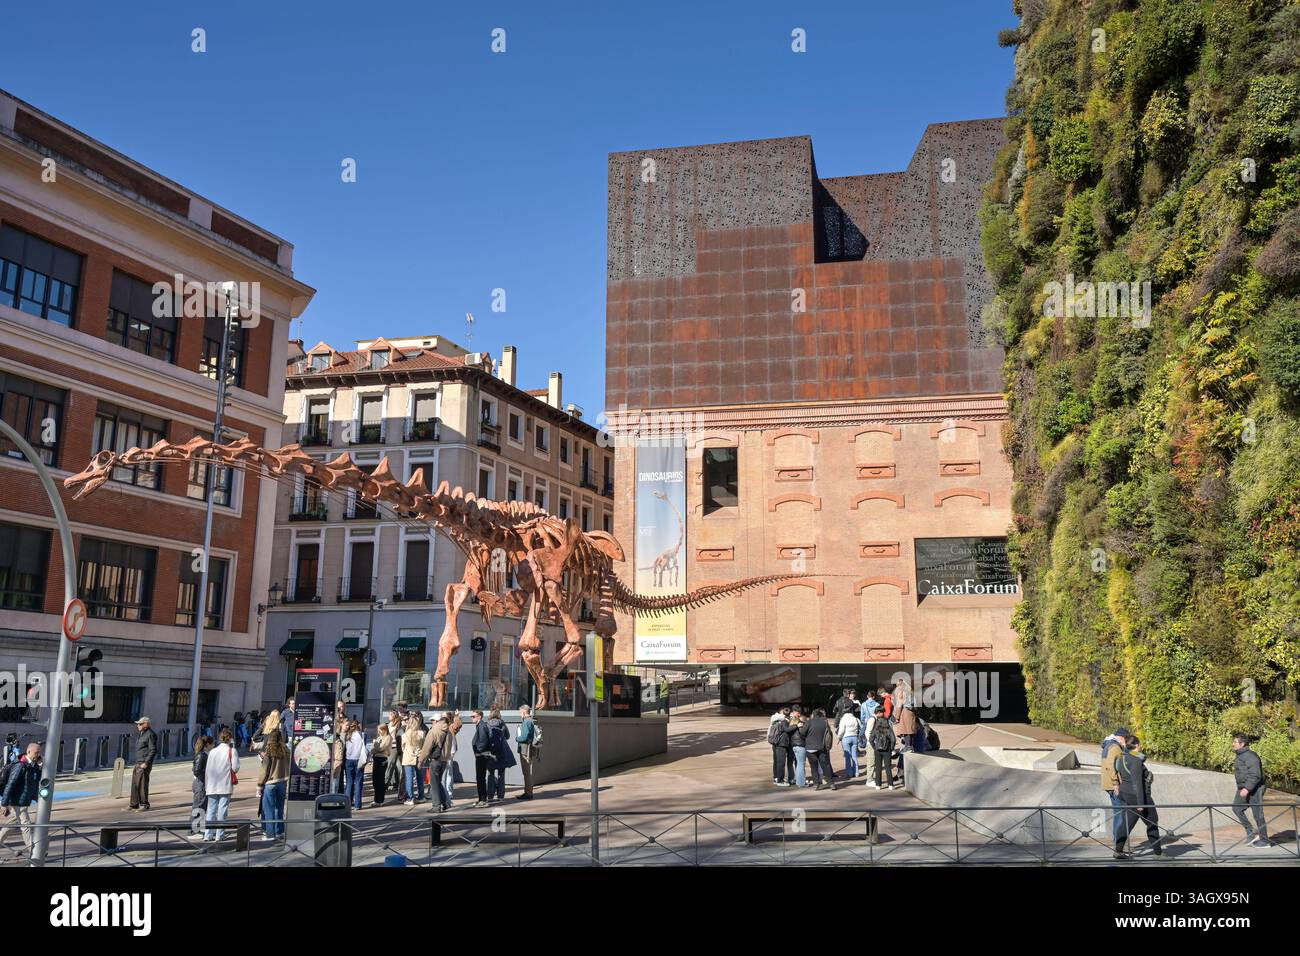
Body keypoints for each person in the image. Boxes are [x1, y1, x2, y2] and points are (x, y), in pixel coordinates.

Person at [1113, 735, 1161, 858]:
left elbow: (1117, 772)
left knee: (1127, 823)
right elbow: (1137, 783)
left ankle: (1118, 851)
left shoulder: (1121, 758)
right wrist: (1140, 803)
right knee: (1152, 822)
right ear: (1136, 745)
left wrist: (1117, 785)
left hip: (1126, 795)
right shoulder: (1135, 761)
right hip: (1139, 797)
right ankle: (1159, 854)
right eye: (1139, 744)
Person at [0, 742, 41, 859]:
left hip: (24, 800)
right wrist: (4, 803)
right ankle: (34, 852)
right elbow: (10, 784)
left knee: (12, 824)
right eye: (36, 753)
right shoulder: (20, 765)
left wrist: (39, 767)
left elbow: (36, 780)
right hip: (17, 801)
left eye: (39, 753)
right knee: (26, 824)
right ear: (28, 752)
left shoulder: (31, 765)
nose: (38, 755)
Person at [1231, 734, 1269, 847]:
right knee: (1236, 808)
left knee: (1258, 814)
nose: (1233, 744)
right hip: (1244, 788)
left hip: (1255, 788)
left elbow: (1255, 775)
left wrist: (1247, 788)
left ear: (1242, 744)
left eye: (1235, 742)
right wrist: (1244, 788)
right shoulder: (1240, 755)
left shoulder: (1251, 756)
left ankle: (1265, 840)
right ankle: (1251, 832)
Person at [257, 712, 290, 841]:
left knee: (269, 809)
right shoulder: (285, 749)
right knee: (279, 808)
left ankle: (269, 834)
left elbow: (264, 770)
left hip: (270, 782)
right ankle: (279, 831)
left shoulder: (269, 752)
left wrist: (259, 785)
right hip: (282, 780)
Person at [203, 729, 239, 842]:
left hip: (212, 784)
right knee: (222, 809)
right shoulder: (232, 751)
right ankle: (219, 834)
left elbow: (207, 769)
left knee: (211, 810)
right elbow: (235, 767)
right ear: (230, 738)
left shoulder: (213, 751)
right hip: (225, 784)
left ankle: (208, 834)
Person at [418, 711, 456, 811]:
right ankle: (446, 803)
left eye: (433, 720)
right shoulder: (448, 731)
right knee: (438, 782)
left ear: (437, 721)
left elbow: (426, 747)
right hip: (444, 760)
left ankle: (436, 806)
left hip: (435, 760)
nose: (432, 722)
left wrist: (421, 760)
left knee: (434, 784)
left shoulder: (434, 731)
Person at [485, 709, 515, 801]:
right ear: (499, 715)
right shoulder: (502, 724)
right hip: (502, 752)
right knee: (501, 774)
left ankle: (490, 795)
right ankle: (500, 796)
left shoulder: (487, 724)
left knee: (490, 774)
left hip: (491, 752)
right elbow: (508, 736)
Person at [128, 716, 158, 811]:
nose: (138, 725)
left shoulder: (150, 734)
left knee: (142, 784)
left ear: (146, 724)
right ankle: (134, 804)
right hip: (138, 762)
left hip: (143, 763)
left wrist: (146, 762)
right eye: (138, 724)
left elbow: (153, 750)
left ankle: (144, 804)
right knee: (135, 784)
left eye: (140, 724)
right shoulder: (142, 734)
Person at [803, 708, 836, 791]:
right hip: (822, 747)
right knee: (825, 766)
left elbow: (802, 733)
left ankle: (816, 784)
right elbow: (829, 733)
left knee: (814, 767)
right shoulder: (825, 722)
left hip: (810, 747)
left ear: (813, 715)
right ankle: (831, 783)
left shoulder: (809, 722)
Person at [188, 735, 211, 839]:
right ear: (207, 744)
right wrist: (204, 777)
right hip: (200, 783)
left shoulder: (202, 754)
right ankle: (193, 831)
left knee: (202, 807)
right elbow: (197, 770)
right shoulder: (201, 755)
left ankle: (199, 829)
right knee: (198, 806)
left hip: (202, 783)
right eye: (211, 743)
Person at [470, 710, 494, 807]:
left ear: (479, 717)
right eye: (472, 716)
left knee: (480, 778)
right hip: (481, 755)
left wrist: (478, 752)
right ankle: (481, 799)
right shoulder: (480, 726)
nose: (472, 718)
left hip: (482, 755)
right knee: (480, 778)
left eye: (474, 716)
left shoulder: (482, 726)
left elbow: (483, 741)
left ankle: (483, 800)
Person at [515, 704, 541, 800]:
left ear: (523, 712)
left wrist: (517, 738)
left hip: (525, 749)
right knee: (528, 771)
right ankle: (528, 791)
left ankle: (528, 793)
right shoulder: (532, 720)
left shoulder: (526, 722)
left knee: (526, 772)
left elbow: (524, 737)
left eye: (520, 712)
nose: (520, 714)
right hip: (531, 749)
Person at [344, 720, 368, 811]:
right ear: (358, 725)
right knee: (358, 782)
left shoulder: (348, 735)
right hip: (359, 759)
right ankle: (357, 804)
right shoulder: (362, 735)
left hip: (349, 759)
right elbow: (364, 747)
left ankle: (347, 804)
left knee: (349, 782)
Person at [402, 714, 426, 805]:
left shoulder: (405, 734)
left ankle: (410, 798)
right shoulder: (422, 733)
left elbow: (403, 747)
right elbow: (423, 745)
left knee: (409, 778)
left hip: (408, 757)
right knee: (420, 777)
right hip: (419, 756)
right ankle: (421, 796)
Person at [869, 709, 896, 790]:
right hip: (887, 749)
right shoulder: (888, 727)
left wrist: (874, 747)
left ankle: (878, 785)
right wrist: (891, 748)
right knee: (888, 767)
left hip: (877, 749)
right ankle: (890, 785)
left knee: (878, 767)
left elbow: (871, 739)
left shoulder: (876, 727)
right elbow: (893, 739)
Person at [370, 722, 394, 806]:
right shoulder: (379, 737)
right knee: (375, 780)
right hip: (376, 758)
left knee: (380, 779)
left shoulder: (388, 738)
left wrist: (375, 744)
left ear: (384, 730)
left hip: (382, 759)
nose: (378, 731)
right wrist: (375, 747)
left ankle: (380, 799)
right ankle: (376, 798)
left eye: (380, 730)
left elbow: (381, 748)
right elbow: (373, 750)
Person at [768, 705, 791, 786]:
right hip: (780, 743)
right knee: (781, 762)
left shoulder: (778, 719)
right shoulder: (775, 717)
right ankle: (780, 780)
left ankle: (776, 777)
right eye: (784, 710)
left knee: (777, 761)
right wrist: (787, 717)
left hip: (775, 741)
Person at [837, 705, 861, 779]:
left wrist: (839, 737)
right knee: (854, 756)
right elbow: (860, 727)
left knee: (848, 756)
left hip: (846, 738)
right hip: (854, 737)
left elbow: (841, 730)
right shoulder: (855, 718)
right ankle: (856, 772)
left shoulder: (843, 719)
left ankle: (849, 773)